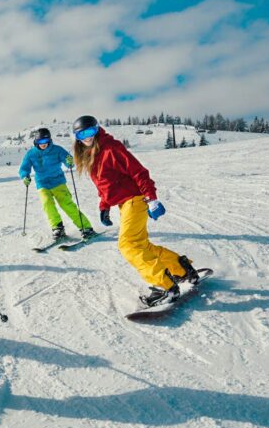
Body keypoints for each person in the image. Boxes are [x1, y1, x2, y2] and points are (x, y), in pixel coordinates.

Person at [71, 115, 200, 306]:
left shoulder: (111, 148)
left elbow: (138, 172)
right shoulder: (91, 155)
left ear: (97, 130)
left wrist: (151, 198)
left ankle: (166, 286)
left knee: (128, 245)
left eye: (91, 131)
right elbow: (104, 185)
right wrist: (104, 206)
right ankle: (183, 269)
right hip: (125, 203)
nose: (88, 137)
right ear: (77, 137)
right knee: (141, 245)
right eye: (82, 134)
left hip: (135, 199)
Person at [19, 127, 95, 241]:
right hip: (42, 183)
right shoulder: (31, 154)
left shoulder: (57, 150)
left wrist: (69, 162)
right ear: (36, 142)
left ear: (49, 140)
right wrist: (25, 176)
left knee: (67, 204)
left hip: (58, 182)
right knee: (47, 204)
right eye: (40, 142)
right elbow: (24, 168)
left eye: (45, 142)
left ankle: (86, 228)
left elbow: (68, 159)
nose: (43, 144)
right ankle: (57, 228)